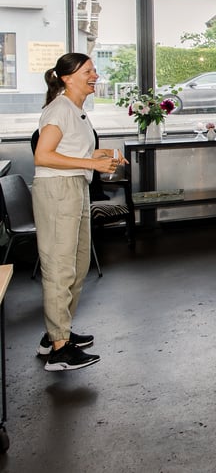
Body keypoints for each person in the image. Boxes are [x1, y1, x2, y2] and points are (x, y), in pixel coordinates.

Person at [32, 53, 124, 371]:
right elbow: (43, 155)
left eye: (94, 70)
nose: (95, 75)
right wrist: (92, 164)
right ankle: (59, 349)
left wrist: (107, 154)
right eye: (88, 71)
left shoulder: (76, 110)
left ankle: (57, 333)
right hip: (58, 191)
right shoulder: (59, 109)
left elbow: (76, 150)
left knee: (78, 263)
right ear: (67, 77)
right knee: (60, 269)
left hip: (76, 188)